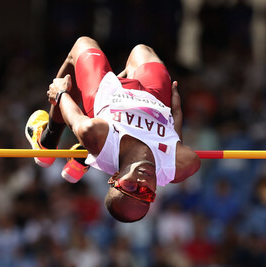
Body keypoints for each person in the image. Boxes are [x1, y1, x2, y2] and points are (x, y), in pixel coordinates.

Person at [25, 37, 201, 222]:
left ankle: (46, 146)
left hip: (108, 96)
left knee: (82, 45)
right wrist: (177, 114)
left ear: (115, 177)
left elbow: (76, 120)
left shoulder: (98, 135)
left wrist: (60, 94)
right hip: (154, 99)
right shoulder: (181, 165)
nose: (142, 184)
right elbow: (175, 144)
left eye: (131, 187)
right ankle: (83, 156)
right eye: (146, 194)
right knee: (143, 50)